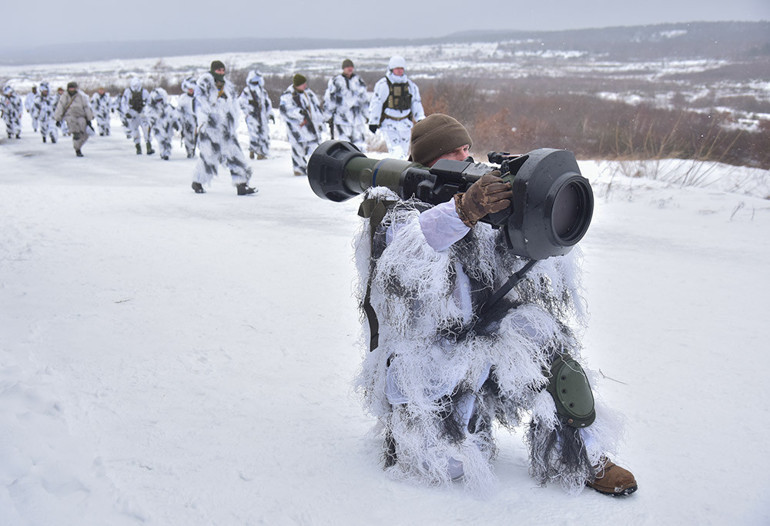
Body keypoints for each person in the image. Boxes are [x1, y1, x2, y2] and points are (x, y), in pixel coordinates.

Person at [353, 113, 637, 496]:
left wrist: (531, 203)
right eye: (451, 151)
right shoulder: (398, 212)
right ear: (426, 162)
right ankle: (419, 431)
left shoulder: (482, 199)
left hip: (485, 336)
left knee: (544, 341)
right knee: (446, 465)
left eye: (466, 147)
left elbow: (528, 262)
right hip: (428, 359)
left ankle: (582, 455)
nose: (464, 155)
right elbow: (407, 258)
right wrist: (463, 212)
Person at [191, 60, 256, 195]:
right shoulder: (205, 84)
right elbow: (200, 104)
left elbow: (234, 105)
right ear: (213, 70)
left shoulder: (228, 87)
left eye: (222, 70)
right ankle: (197, 182)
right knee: (208, 156)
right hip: (210, 127)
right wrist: (202, 122)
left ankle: (241, 184)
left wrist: (233, 122)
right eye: (218, 70)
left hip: (226, 128)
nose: (221, 72)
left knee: (235, 155)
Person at [367, 55, 425, 159]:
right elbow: (377, 103)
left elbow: (416, 102)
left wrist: (420, 118)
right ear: (391, 69)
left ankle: (400, 170)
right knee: (396, 151)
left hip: (405, 124)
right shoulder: (383, 84)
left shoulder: (410, 85)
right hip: (389, 124)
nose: (399, 71)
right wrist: (373, 121)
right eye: (397, 68)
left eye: (401, 68)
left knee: (404, 151)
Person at [279, 73, 324, 176]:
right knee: (298, 149)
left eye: (305, 83)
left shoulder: (309, 93)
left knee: (314, 147)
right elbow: (285, 111)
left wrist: (320, 121)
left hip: (312, 127)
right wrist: (299, 114)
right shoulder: (288, 95)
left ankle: (315, 168)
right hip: (297, 129)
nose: (304, 85)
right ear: (296, 84)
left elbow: (316, 109)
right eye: (302, 84)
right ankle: (299, 169)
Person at [323, 59, 368, 151]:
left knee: (360, 144)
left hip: (357, 119)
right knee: (345, 145)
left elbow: (365, 100)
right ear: (343, 68)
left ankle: (360, 164)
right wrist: (328, 116)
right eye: (347, 67)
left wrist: (367, 115)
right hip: (342, 118)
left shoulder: (358, 81)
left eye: (351, 66)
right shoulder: (336, 81)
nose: (350, 69)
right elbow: (330, 100)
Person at [238, 69, 274, 160]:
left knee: (264, 134)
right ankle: (253, 150)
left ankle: (261, 153)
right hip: (252, 116)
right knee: (254, 134)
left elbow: (267, 103)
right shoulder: (247, 91)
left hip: (262, 116)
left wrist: (270, 114)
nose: (256, 83)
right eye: (254, 81)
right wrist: (250, 108)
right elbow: (241, 103)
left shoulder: (263, 92)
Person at [53, 81, 94, 157]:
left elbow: (86, 107)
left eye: (73, 88)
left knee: (85, 134)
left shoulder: (81, 96)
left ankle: (78, 146)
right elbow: (60, 107)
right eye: (70, 88)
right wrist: (58, 119)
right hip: (70, 116)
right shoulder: (64, 96)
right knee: (76, 133)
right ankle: (77, 149)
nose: (72, 89)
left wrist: (89, 118)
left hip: (81, 116)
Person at [121, 77, 154, 155]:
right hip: (132, 113)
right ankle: (138, 147)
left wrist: (146, 111)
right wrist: (126, 112)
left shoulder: (144, 92)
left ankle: (148, 147)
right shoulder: (127, 92)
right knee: (135, 131)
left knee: (146, 129)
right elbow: (123, 103)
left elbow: (149, 103)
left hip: (142, 112)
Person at [147, 87, 176, 160]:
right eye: (157, 100)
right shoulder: (151, 108)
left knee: (168, 140)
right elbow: (149, 116)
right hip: (158, 127)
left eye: (160, 99)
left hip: (168, 127)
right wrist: (152, 121)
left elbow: (174, 115)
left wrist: (175, 123)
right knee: (160, 140)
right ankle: (163, 152)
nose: (159, 101)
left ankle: (167, 152)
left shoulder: (168, 107)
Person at [175, 77, 198, 158]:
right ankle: (189, 151)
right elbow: (178, 110)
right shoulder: (183, 98)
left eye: (192, 88)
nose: (191, 90)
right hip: (187, 120)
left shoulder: (198, 97)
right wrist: (179, 119)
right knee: (188, 137)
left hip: (198, 120)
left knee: (197, 137)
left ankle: (195, 149)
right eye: (189, 89)